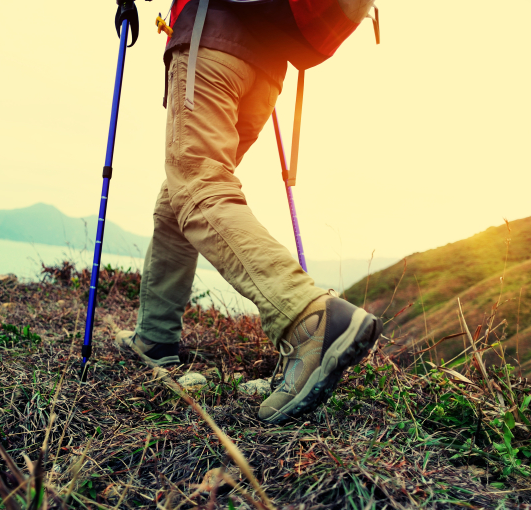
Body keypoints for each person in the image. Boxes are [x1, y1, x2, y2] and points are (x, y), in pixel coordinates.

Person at [115, 0, 382, 424]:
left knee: (197, 186)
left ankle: (307, 316)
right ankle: (154, 338)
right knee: (180, 194)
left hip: (212, 41)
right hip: (267, 70)